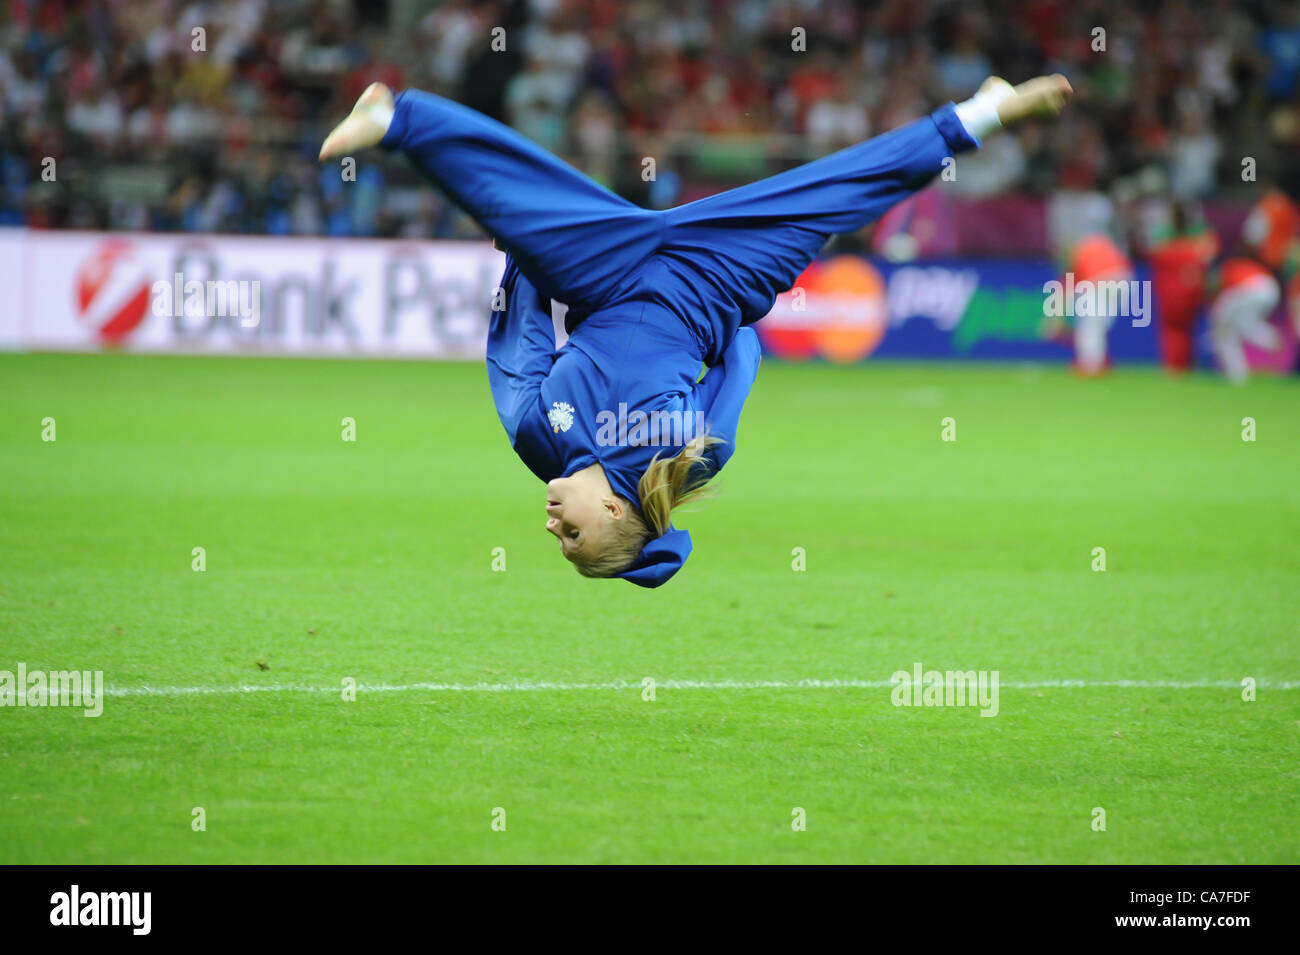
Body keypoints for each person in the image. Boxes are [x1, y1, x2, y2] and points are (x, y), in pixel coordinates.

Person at [319, 75, 1072, 586]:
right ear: (613, 513)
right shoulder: (694, 460)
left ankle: (397, 119)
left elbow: (518, 346)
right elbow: (740, 358)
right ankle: (979, 114)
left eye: (561, 544)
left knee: (514, 205)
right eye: (574, 539)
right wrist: (730, 302)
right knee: (830, 198)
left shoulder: (536, 438)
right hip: (709, 283)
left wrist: (523, 255)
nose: (554, 531)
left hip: (603, 276)